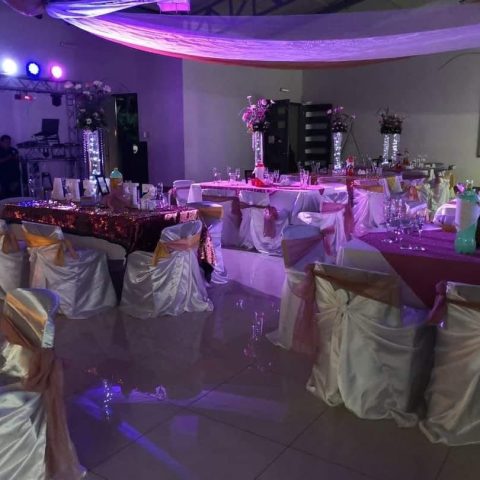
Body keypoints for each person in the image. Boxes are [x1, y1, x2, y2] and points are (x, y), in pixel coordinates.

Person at [0, 135, 20, 199]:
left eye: (9, 142)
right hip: (2, 175)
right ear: (1, 142)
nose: (8, 144)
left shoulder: (13, 150)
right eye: (6, 142)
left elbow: (18, 159)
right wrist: (9, 157)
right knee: (4, 194)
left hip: (14, 175)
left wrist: (18, 158)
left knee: (14, 194)